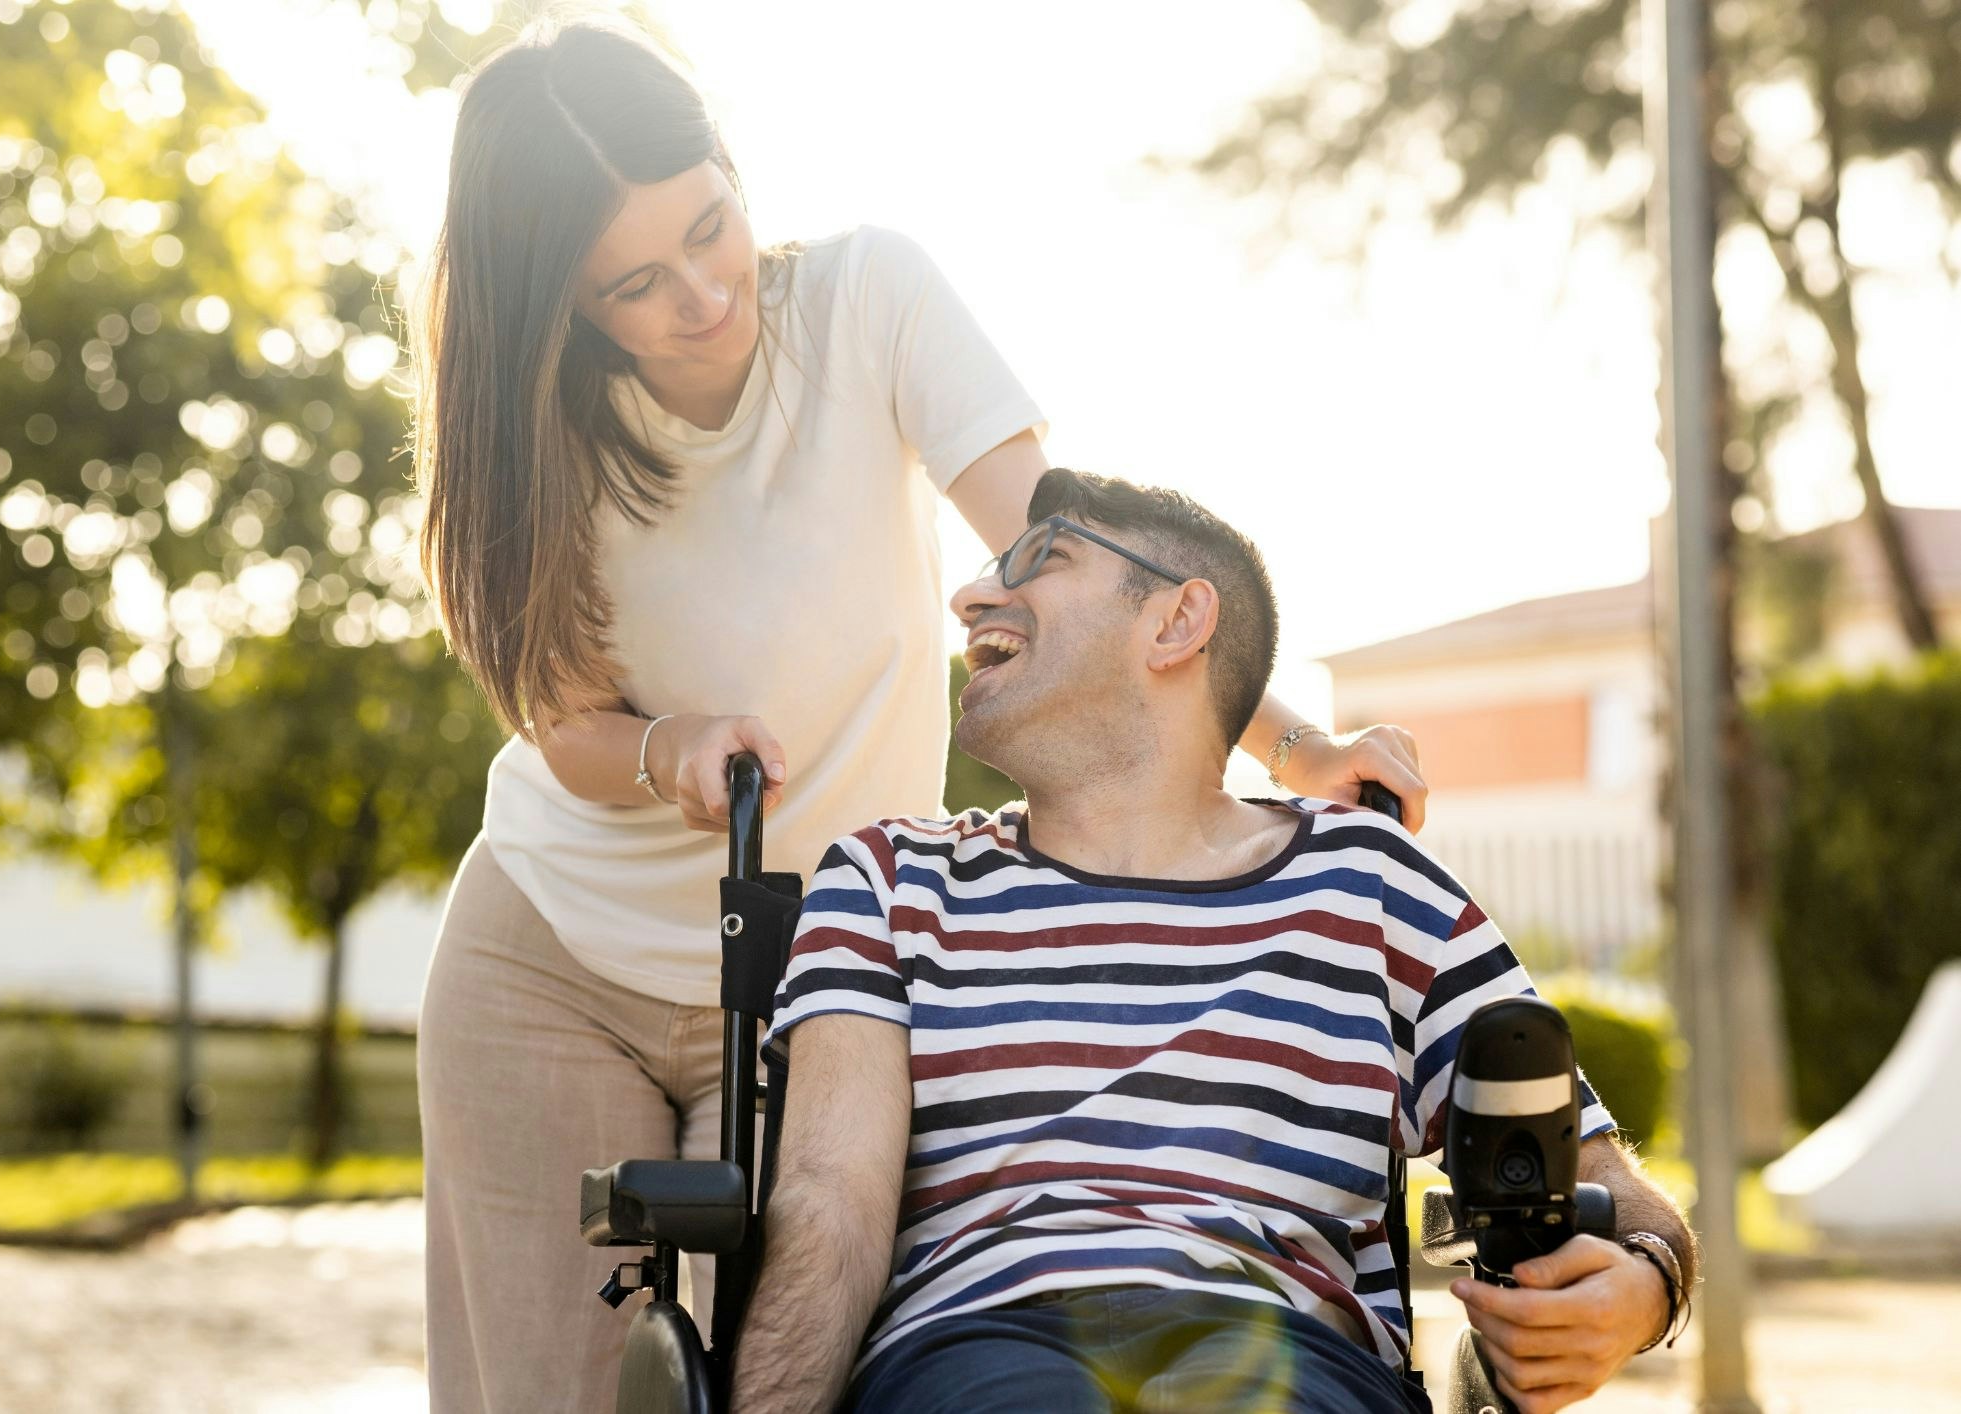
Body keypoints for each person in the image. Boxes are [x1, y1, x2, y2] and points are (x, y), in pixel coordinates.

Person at [409, 22, 1431, 1412]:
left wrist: (1290, 744)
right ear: (564, 305)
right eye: (638, 284)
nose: (705, 294)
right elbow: (559, 721)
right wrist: (669, 748)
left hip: (804, 971)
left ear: (730, 165)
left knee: (786, 1361)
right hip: (547, 962)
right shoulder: (533, 427)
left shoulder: (868, 297)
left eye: (712, 226)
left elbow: (1069, 561)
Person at [732, 470, 1697, 1414]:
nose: (973, 591)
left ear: (1177, 622)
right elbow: (830, 1207)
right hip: (986, 1339)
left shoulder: (1371, 883)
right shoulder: (888, 881)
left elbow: (1603, 1182)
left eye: (1043, 559)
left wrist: (1642, 1286)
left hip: (1286, 1349)